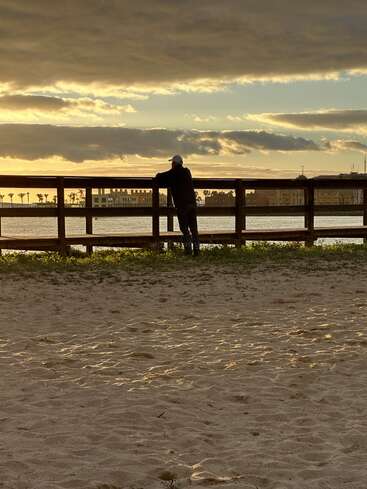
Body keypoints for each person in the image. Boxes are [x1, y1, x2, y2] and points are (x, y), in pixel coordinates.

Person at [155, 155, 200, 256]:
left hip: (182, 205)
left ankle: (188, 250)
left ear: (174, 164)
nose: (171, 164)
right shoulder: (187, 172)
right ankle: (197, 250)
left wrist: (158, 175)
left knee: (184, 228)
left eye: (172, 163)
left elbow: (160, 176)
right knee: (194, 228)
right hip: (192, 203)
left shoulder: (173, 173)